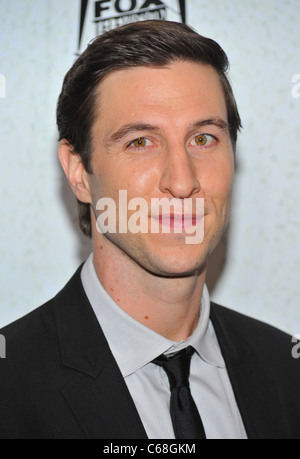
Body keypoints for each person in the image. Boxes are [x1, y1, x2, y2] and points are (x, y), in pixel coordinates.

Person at [0, 20, 299, 440]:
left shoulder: (285, 370)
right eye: (140, 141)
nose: (182, 181)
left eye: (204, 138)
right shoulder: (10, 387)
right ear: (79, 172)